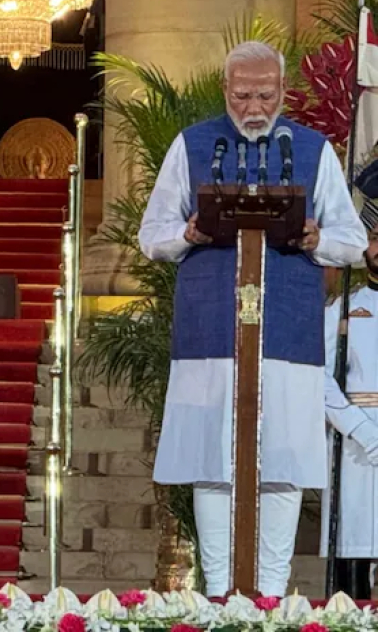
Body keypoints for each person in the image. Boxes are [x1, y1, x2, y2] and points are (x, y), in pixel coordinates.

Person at [139, 40, 367, 597]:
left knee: (284, 457)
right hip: (210, 332)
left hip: (287, 332)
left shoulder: (313, 150)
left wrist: (318, 237)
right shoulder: (192, 145)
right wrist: (187, 234)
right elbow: (152, 235)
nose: (254, 106)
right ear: (225, 91)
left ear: (283, 93)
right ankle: (220, 593)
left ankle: (270, 590)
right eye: (242, 95)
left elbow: (353, 239)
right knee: (211, 456)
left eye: (265, 94)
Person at [321, 166, 378, 599]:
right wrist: (360, 430)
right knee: (355, 544)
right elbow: (319, 377)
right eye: (374, 238)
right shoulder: (344, 308)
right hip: (356, 443)